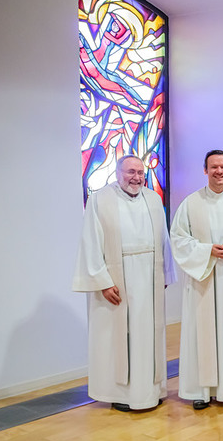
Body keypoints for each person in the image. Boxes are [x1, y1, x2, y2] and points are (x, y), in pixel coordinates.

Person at [73, 155, 176, 412]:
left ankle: (151, 391)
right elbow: (90, 242)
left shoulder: (153, 199)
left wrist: (165, 273)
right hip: (117, 282)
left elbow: (163, 238)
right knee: (120, 339)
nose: (136, 177)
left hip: (149, 279)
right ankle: (121, 394)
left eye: (140, 172)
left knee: (148, 336)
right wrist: (103, 282)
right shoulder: (100, 200)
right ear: (118, 173)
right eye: (131, 172)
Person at [171, 150, 223, 410]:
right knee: (201, 333)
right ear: (205, 170)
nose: (219, 171)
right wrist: (207, 250)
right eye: (214, 167)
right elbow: (178, 239)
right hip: (203, 278)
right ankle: (201, 390)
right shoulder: (190, 203)